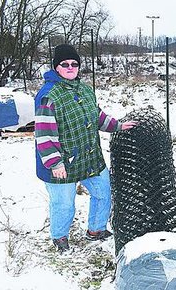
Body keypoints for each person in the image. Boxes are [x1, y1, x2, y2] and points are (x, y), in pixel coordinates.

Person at [34, 44, 136, 253]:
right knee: (64, 204)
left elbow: (97, 116)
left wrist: (117, 126)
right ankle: (60, 237)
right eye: (65, 64)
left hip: (89, 157)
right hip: (61, 163)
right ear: (56, 68)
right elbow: (44, 134)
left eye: (74, 64)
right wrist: (55, 163)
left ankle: (96, 230)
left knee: (103, 191)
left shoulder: (86, 90)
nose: (70, 67)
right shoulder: (49, 96)